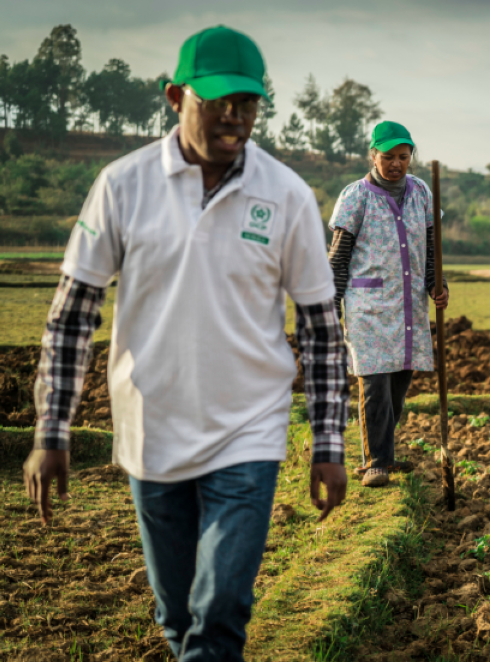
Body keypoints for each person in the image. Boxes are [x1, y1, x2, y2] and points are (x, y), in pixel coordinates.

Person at [22, 25, 350, 661]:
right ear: (176, 97)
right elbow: (72, 314)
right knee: (179, 618)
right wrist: (50, 431)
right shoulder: (124, 184)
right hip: (152, 430)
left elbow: (319, 329)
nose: (234, 117)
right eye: (219, 101)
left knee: (220, 611)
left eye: (248, 103)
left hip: (247, 431)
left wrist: (328, 445)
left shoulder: (285, 196)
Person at [329, 121, 448, 488]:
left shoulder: (422, 193)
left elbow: (432, 247)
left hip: (408, 305)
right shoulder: (355, 197)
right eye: (388, 156)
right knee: (375, 382)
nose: (396, 163)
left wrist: (436, 283)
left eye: (402, 156)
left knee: (399, 381)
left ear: (411, 157)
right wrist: (330, 306)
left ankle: (382, 450)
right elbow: (338, 257)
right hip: (368, 305)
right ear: (373, 156)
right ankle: (377, 462)